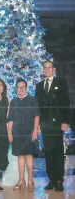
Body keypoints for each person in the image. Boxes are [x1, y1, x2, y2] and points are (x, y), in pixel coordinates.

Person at [36, 60, 70, 192]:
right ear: (43, 69)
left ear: (53, 69)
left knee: (58, 151)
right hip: (45, 124)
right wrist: (37, 124)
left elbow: (66, 103)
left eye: (50, 67)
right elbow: (37, 107)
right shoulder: (39, 86)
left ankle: (59, 179)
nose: (47, 70)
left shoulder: (61, 83)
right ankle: (51, 179)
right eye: (45, 68)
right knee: (48, 152)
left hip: (57, 123)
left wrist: (65, 121)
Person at [7, 79, 40, 192]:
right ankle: (21, 181)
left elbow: (36, 115)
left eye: (22, 87)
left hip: (29, 132)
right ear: (16, 88)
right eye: (18, 87)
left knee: (29, 156)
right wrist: (9, 132)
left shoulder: (32, 99)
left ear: (26, 88)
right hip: (17, 133)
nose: (20, 89)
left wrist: (35, 130)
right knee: (20, 157)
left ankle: (30, 181)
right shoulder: (13, 101)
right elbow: (10, 118)